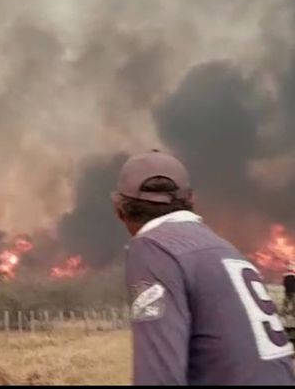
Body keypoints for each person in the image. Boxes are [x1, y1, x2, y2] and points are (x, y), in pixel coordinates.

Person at [111, 149, 295, 385]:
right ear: (191, 200)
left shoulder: (154, 248)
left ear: (119, 210)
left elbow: (158, 377)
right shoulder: (225, 250)